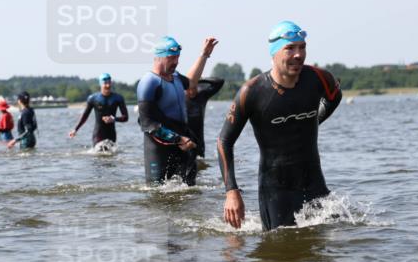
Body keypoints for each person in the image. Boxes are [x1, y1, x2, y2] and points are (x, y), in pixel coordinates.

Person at [217, 21, 342, 230]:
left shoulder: (319, 78)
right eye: (290, 48)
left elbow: (334, 97)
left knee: (327, 250)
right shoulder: (252, 92)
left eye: (302, 47)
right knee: (279, 254)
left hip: (314, 182)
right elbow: (224, 141)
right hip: (276, 191)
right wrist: (231, 192)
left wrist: (314, 119)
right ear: (274, 53)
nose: (298, 54)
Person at [136, 36, 197, 184]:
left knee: (189, 191)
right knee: (158, 195)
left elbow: (192, 82)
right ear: (159, 57)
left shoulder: (175, 77)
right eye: (171, 58)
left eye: (177, 57)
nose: (176, 62)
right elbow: (147, 123)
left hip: (182, 143)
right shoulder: (149, 82)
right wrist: (177, 138)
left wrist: (204, 54)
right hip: (159, 147)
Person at [184, 37, 225, 158]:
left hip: (199, 141)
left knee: (201, 165)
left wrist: (198, 79)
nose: (193, 91)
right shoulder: (179, 96)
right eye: (190, 88)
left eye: (194, 87)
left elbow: (219, 82)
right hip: (184, 140)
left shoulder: (202, 95)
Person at [68, 73, 129, 147]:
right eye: (105, 83)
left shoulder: (118, 98)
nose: (108, 85)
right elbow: (85, 116)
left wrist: (113, 119)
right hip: (98, 135)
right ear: (101, 84)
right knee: (99, 153)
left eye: (109, 82)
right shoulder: (93, 99)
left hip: (111, 135)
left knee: (111, 156)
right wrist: (75, 129)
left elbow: (125, 117)